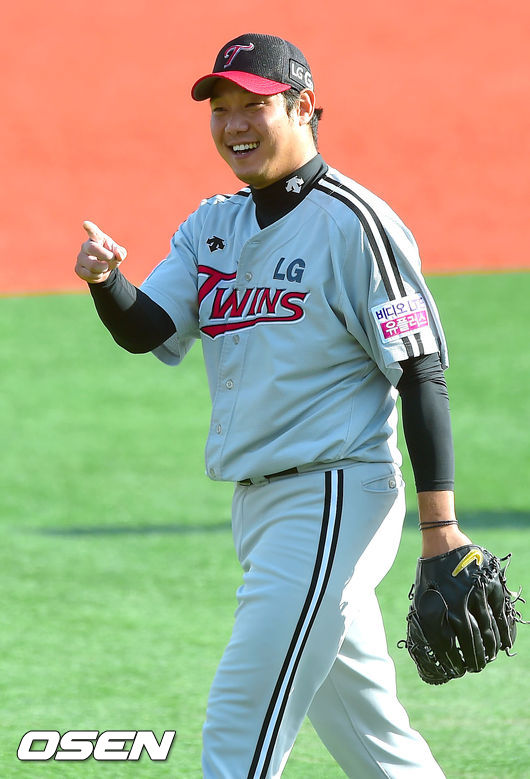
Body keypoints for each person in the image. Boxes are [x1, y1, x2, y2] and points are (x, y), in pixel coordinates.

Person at [75, 32, 472, 778]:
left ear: (302, 107)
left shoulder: (354, 223)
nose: (234, 125)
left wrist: (440, 528)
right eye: (220, 109)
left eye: (252, 105)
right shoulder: (212, 225)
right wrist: (107, 283)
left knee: (240, 726)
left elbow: (421, 371)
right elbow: (150, 329)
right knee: (369, 734)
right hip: (262, 509)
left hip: (334, 497)